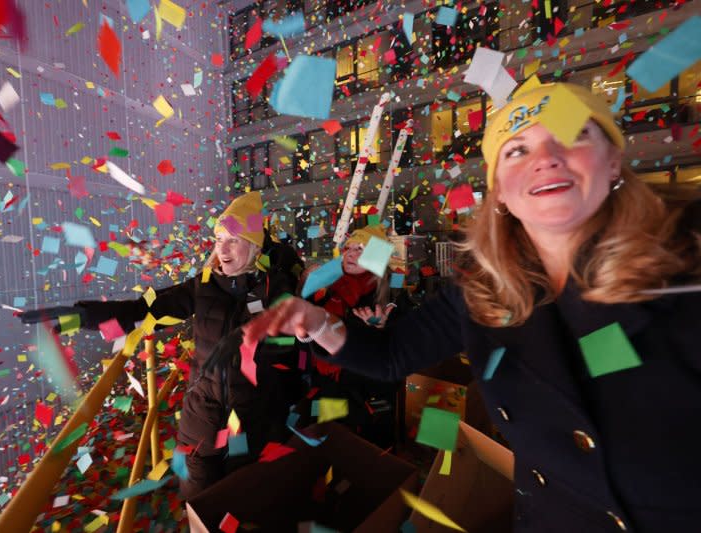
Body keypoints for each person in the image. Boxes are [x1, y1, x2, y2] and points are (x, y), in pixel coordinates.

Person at [243, 81, 701, 532]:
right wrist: (319, 321)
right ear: (499, 189)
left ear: (614, 161)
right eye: (517, 149)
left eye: (573, 134)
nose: (546, 159)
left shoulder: (687, 276)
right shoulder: (481, 290)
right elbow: (392, 354)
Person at [22, 191, 305, 499]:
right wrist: (84, 316)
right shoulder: (205, 284)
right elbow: (146, 309)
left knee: (243, 507)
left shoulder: (279, 290)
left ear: (253, 246)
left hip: (256, 425)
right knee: (198, 506)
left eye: (233, 240)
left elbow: (297, 344)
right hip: (202, 424)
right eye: (218, 239)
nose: (222, 249)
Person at [302, 224, 409, 448]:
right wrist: (305, 333)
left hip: (370, 398)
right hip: (329, 390)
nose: (351, 253)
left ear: (377, 256)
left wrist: (382, 331)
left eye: (361, 248)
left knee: (368, 457)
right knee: (331, 452)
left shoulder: (394, 294)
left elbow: (404, 351)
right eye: (349, 248)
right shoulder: (327, 289)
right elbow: (306, 345)